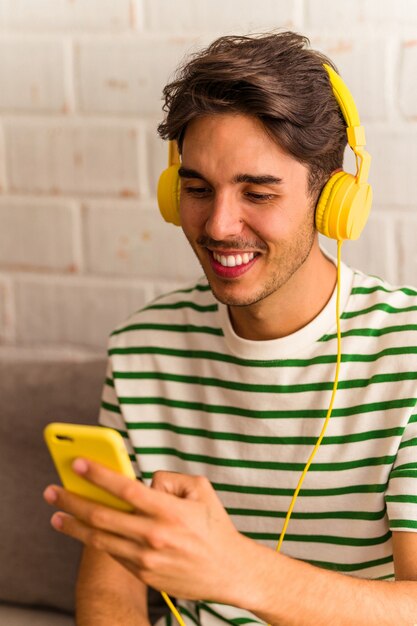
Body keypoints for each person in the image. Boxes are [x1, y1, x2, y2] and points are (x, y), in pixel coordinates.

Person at [44, 31, 417, 626]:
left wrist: (235, 571)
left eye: (258, 192)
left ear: (333, 198)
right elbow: (109, 589)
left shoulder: (407, 356)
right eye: (196, 189)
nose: (218, 225)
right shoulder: (143, 350)